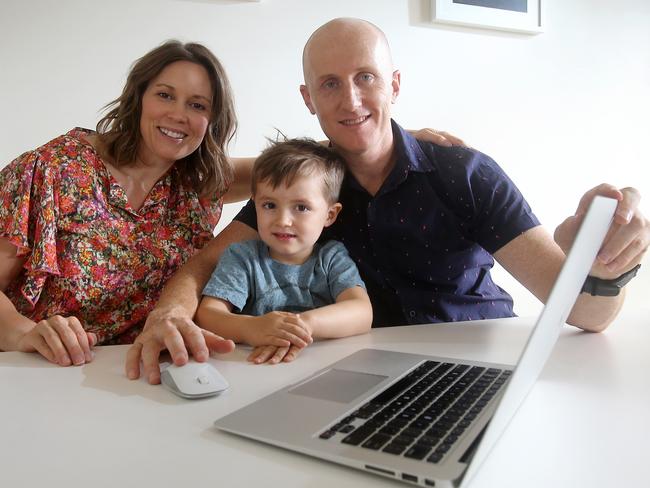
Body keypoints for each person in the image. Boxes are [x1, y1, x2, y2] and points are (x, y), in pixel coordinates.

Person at [127, 18, 648, 384]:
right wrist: (167, 316)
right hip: (357, 376)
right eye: (329, 84)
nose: (350, 100)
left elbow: (587, 314)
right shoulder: (304, 188)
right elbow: (203, 266)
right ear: (308, 98)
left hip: (484, 367)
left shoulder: (466, 173)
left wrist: (604, 263)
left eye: (366, 78)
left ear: (394, 84)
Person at [0, 40, 249, 366]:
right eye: (165, 95)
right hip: (38, 368)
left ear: (212, 120)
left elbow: (295, 168)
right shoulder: (54, 167)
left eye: (198, 105)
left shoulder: (196, 184)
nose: (178, 114)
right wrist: (22, 333)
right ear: (138, 98)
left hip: (135, 372)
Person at [195, 138, 372, 365]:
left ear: (329, 215)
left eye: (301, 207)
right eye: (269, 205)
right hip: (253, 367)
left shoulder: (331, 258)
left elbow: (362, 312)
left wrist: (303, 325)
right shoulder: (242, 258)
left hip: (320, 366)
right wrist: (251, 328)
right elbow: (208, 314)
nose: (283, 220)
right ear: (255, 204)